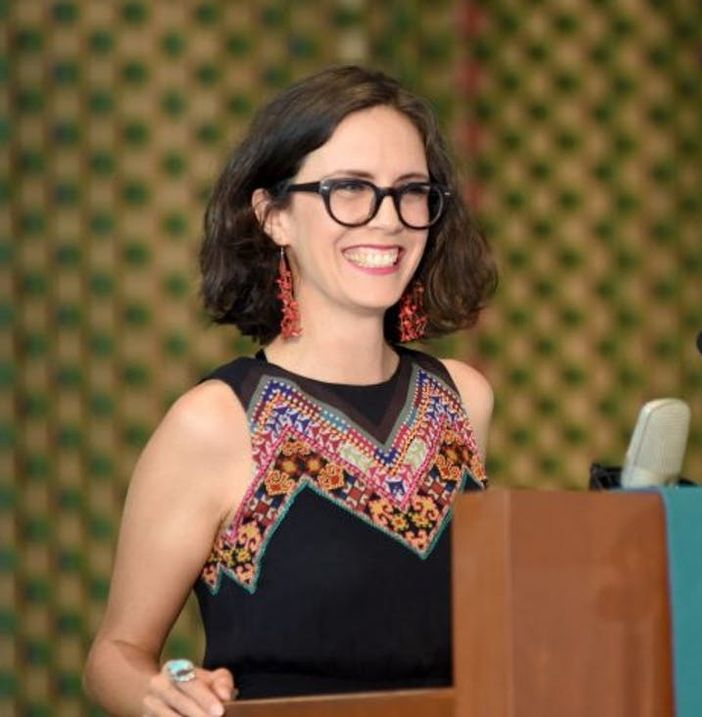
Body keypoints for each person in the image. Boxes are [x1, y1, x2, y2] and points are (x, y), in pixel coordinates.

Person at [84, 65, 496, 716]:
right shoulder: (215, 422)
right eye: (349, 189)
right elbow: (115, 652)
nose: (386, 220)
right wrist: (163, 689)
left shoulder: (464, 399)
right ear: (272, 214)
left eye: (410, 192)